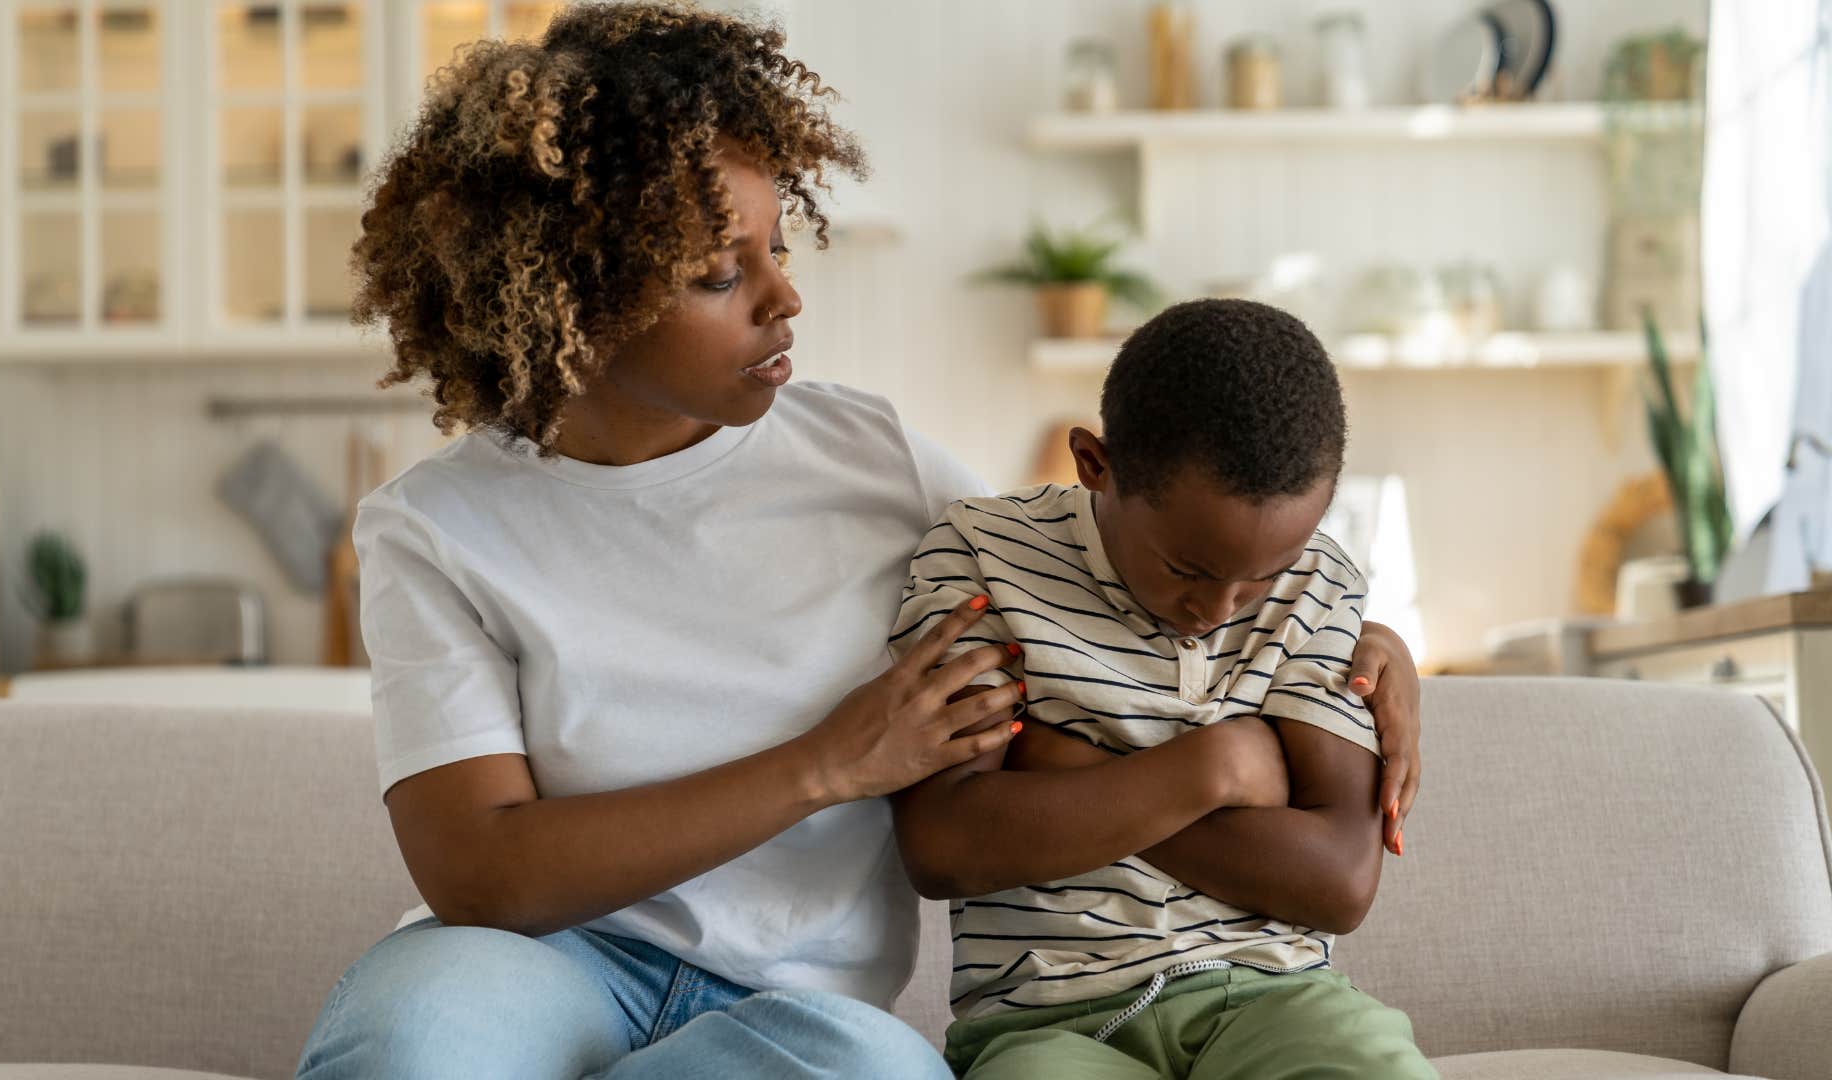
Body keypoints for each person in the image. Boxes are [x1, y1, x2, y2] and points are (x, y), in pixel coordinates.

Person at [294, 6, 1423, 1077]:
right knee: (410, 1049)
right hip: (535, 968)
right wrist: (829, 762)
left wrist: (1357, 635)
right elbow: (482, 871)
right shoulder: (436, 529)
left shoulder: (871, 453)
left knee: (869, 1069)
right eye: (718, 273)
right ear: (567, 303)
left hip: (798, 1012)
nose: (784, 296)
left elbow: (1094, 582)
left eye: (779, 244)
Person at [888, 299, 1435, 1079]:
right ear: (1094, 465)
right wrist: (1211, 771)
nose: (1217, 611)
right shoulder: (984, 553)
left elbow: (1337, 882)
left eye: (1263, 577)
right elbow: (945, 845)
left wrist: (1059, 767)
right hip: (1045, 1026)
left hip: (1279, 1001)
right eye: (1185, 569)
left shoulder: (1320, 583)